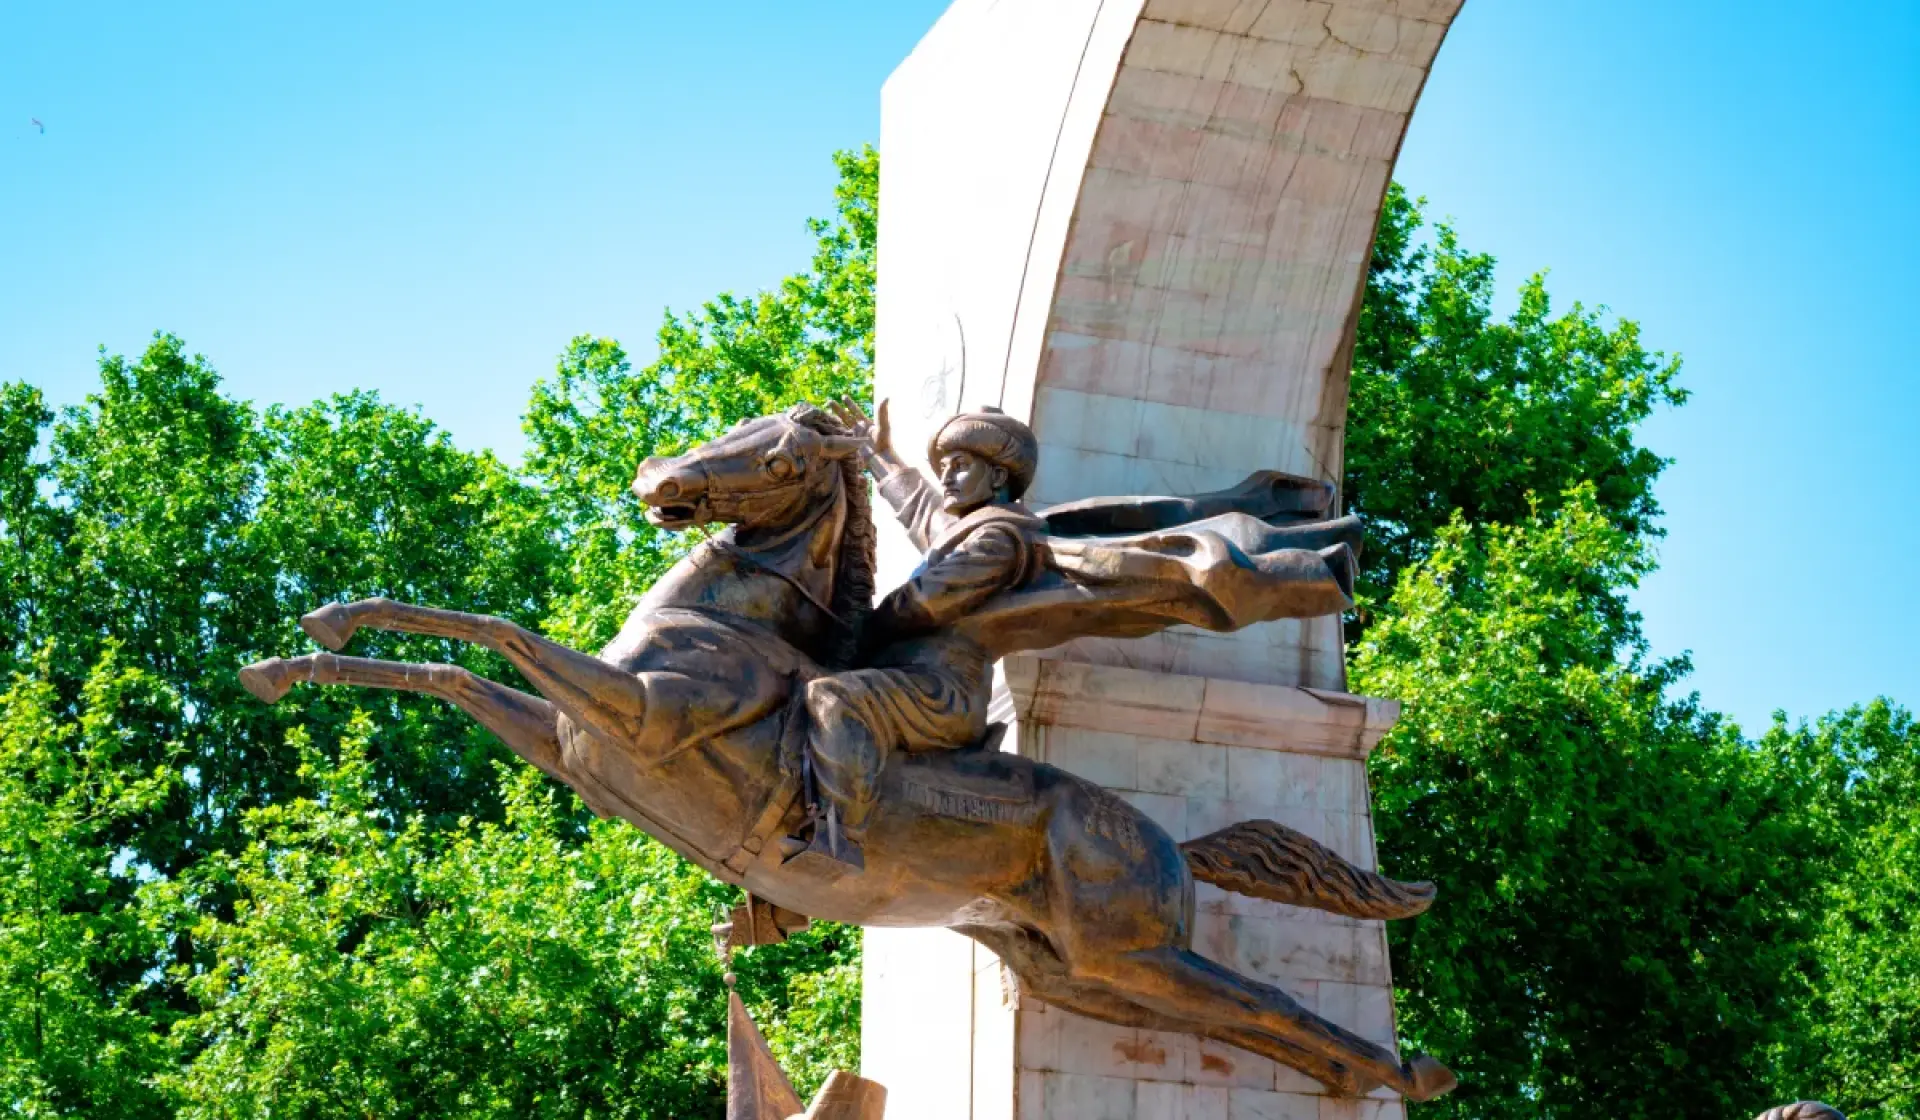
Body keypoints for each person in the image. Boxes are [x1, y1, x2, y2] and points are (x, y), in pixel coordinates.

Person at [790, 400, 1043, 871]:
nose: (946, 477)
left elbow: (924, 602)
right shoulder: (967, 534)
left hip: (943, 692)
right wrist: (877, 455)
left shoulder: (1000, 540)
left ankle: (838, 839)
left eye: (960, 466)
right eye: (944, 467)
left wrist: (850, 628)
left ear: (998, 477)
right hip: (910, 681)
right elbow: (921, 511)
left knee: (833, 698)